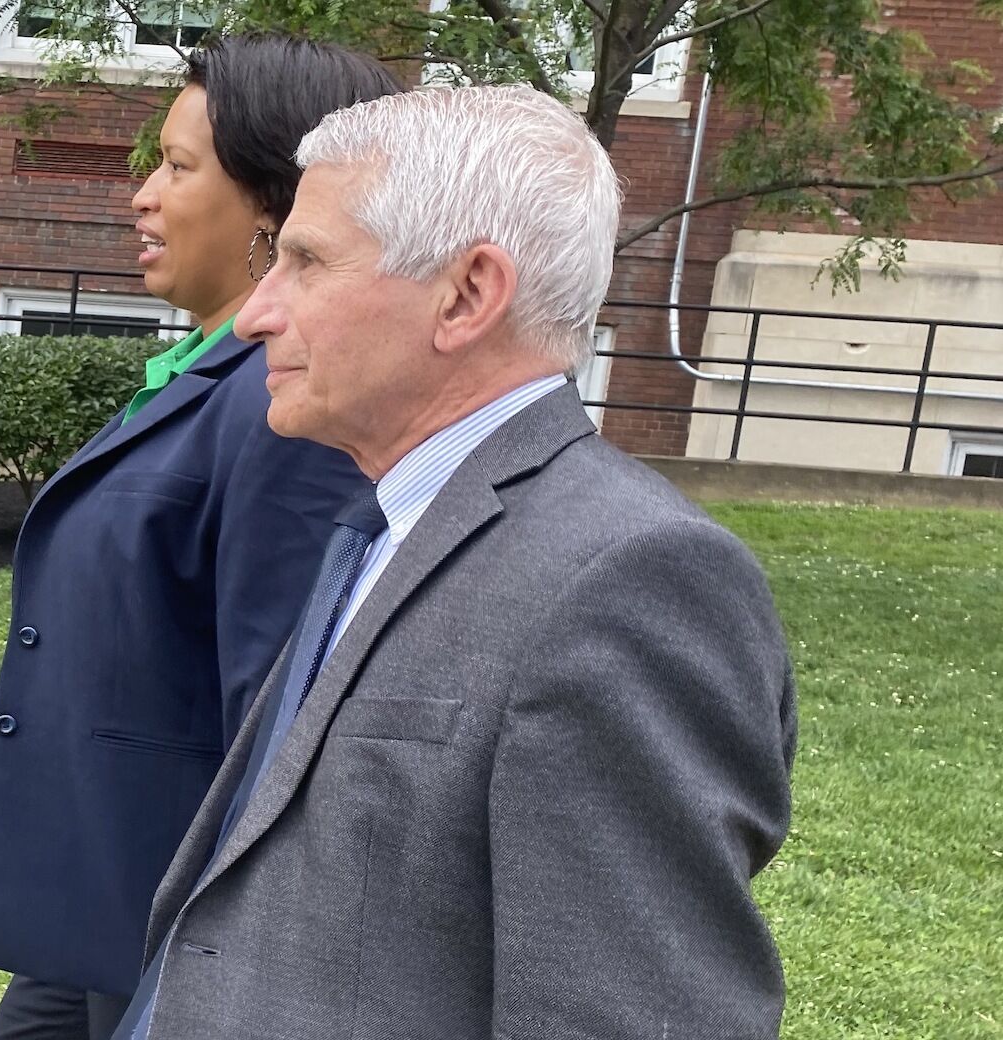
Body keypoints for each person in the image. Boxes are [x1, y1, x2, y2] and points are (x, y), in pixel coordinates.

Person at [114, 86, 798, 1040]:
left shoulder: (629, 579)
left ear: (469, 295)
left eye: (306, 262)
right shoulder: (383, 521)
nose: (257, 312)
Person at [0, 35, 401, 1040]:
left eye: (179, 167)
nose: (142, 197)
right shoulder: (200, 373)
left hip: (177, 929)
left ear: (277, 208)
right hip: (97, 894)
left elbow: (275, 723)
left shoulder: (283, 408)